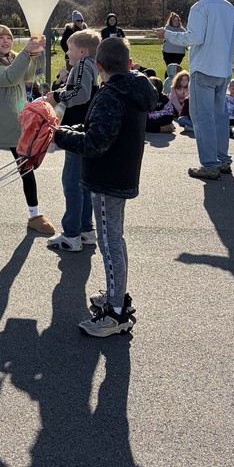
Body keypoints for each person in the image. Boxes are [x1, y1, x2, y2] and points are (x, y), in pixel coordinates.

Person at [54, 36, 158, 336]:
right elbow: (95, 130)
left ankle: (115, 313)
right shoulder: (135, 88)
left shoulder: (111, 95)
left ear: (98, 66)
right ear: (129, 64)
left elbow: (96, 143)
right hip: (121, 174)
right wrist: (65, 130)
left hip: (107, 178)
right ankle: (116, 297)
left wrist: (58, 137)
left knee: (110, 244)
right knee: (115, 239)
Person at [0, 24, 53, 239]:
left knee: (26, 169)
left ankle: (34, 215)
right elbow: (9, 78)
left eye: (8, 37)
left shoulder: (16, 57)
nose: (6, 41)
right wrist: (26, 53)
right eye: (0, 39)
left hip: (18, 122)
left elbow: (28, 77)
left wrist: (37, 54)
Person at [154, 0, 234, 181]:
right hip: (224, 69)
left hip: (204, 68)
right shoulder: (231, 9)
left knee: (202, 118)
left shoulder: (200, 7)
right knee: (220, 116)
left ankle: (210, 165)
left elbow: (194, 37)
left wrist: (167, 34)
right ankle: (223, 159)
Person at [45, 29, 100, 252]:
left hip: (76, 133)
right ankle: (86, 229)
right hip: (85, 131)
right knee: (83, 183)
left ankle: (71, 234)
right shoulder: (92, 65)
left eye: (69, 49)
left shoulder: (82, 65)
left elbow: (80, 92)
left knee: (72, 183)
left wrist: (56, 95)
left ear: (82, 51)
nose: (67, 53)